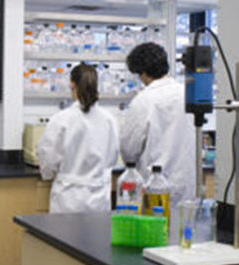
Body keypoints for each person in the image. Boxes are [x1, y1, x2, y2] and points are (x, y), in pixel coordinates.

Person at [37, 63, 120, 213]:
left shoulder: (61, 119)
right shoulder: (109, 119)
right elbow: (112, 157)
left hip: (68, 197)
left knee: (63, 236)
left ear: (72, 84)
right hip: (99, 196)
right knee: (97, 236)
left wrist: (48, 174)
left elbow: (48, 158)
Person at [120, 42, 195, 205]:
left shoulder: (143, 100)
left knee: (154, 229)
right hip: (186, 185)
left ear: (144, 72)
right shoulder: (187, 93)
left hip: (153, 186)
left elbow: (129, 150)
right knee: (182, 227)